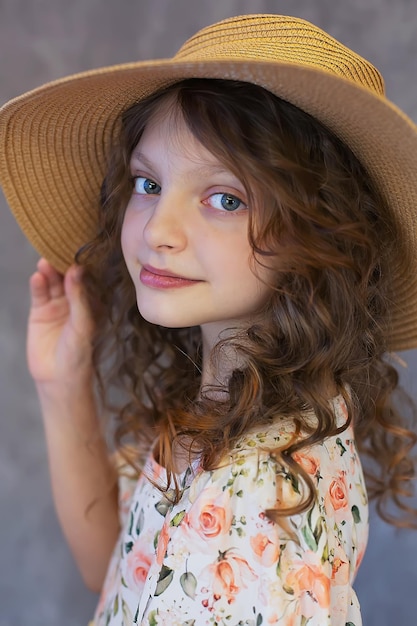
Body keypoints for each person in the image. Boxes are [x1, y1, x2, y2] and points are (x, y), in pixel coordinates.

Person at [1, 13, 417, 626]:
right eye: (148, 182)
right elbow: (116, 569)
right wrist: (62, 382)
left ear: (317, 235)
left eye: (225, 198)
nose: (159, 230)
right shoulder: (244, 404)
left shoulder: (254, 498)